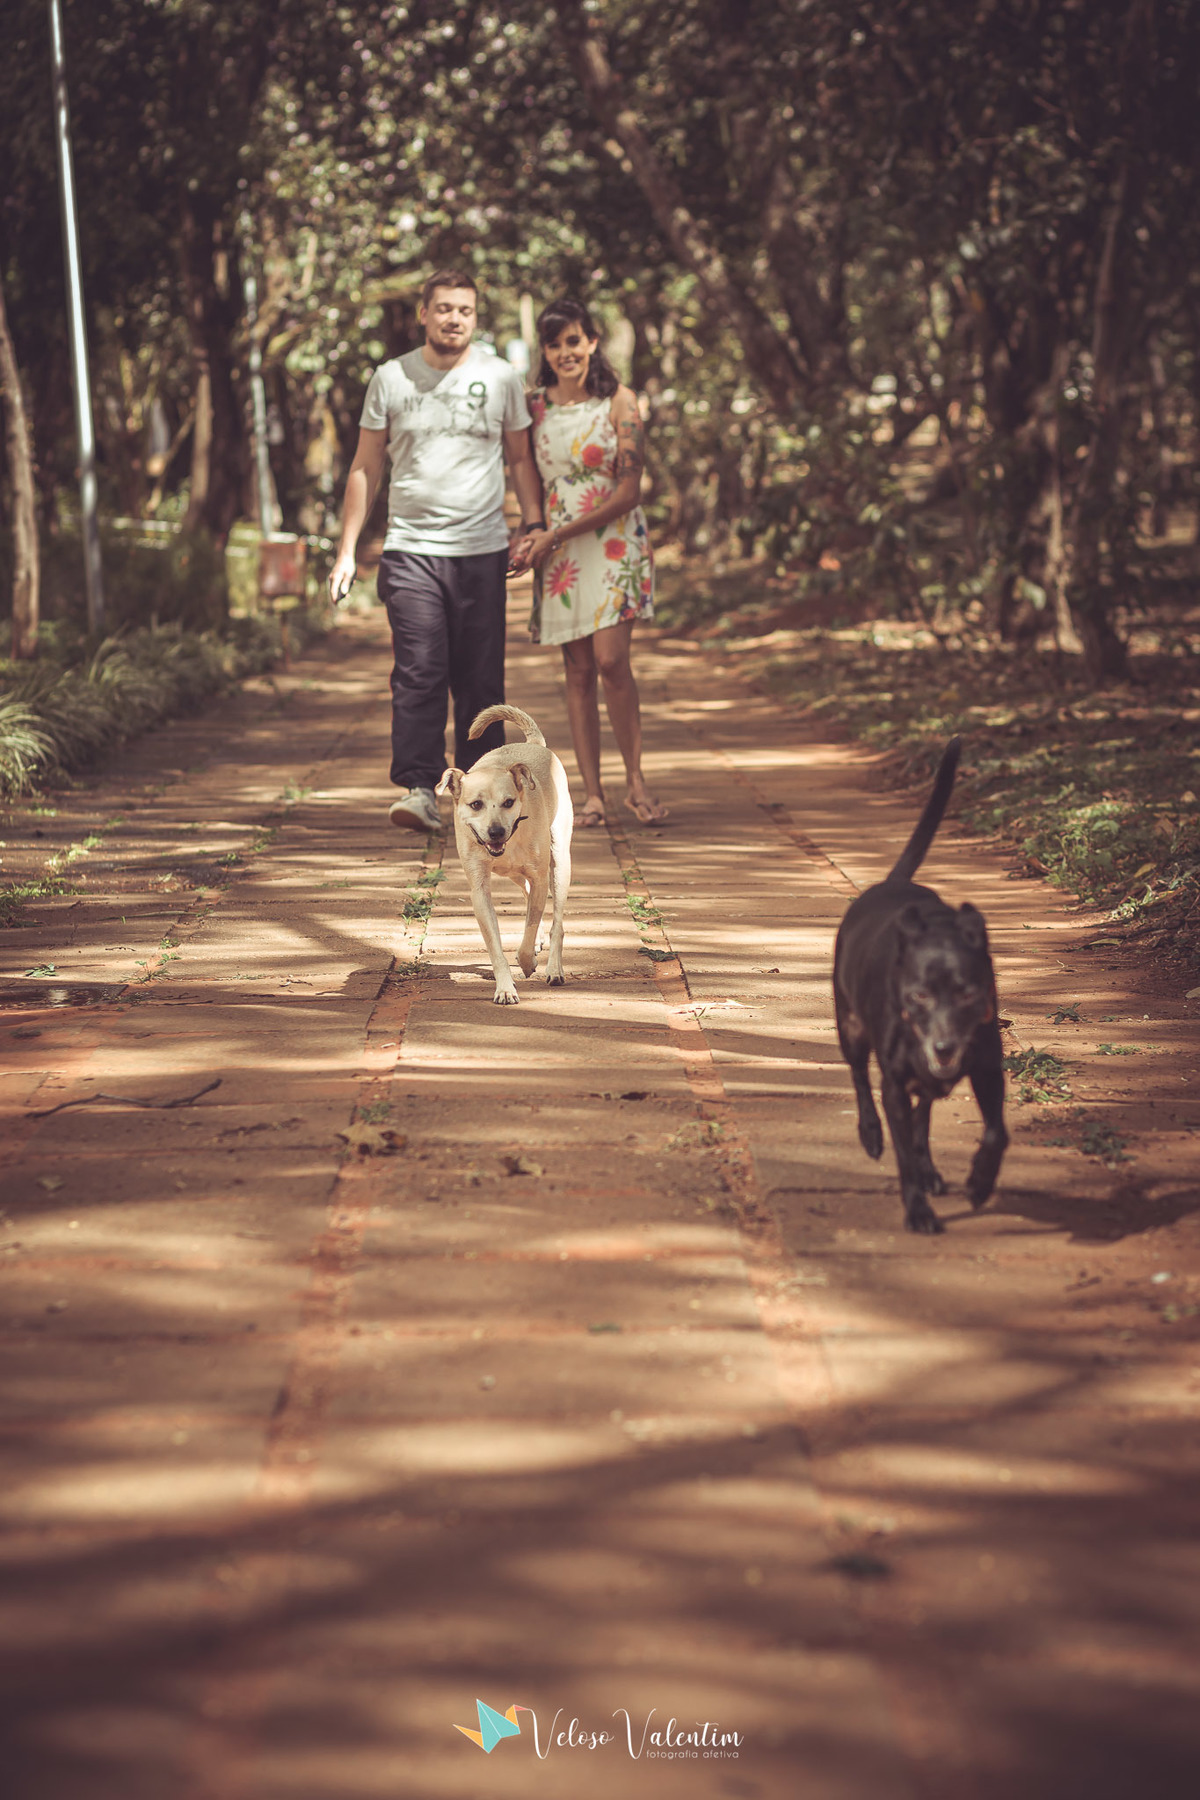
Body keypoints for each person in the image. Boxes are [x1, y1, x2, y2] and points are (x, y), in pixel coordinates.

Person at [328, 269, 546, 831]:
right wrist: (346, 549)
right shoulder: (392, 378)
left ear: (476, 317)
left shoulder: (500, 377)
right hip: (411, 551)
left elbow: (520, 459)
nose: (454, 318)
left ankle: (482, 796)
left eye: (465, 310)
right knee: (419, 672)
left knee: (479, 681)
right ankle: (420, 789)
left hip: (482, 551)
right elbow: (366, 464)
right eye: (444, 308)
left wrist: (533, 522)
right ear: (423, 314)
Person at [510, 298, 667, 826]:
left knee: (610, 662)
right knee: (576, 673)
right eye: (553, 344)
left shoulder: (621, 402)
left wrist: (556, 533)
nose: (564, 353)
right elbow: (525, 472)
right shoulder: (534, 409)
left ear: (592, 342)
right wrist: (535, 532)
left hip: (615, 541)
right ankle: (592, 795)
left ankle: (636, 780)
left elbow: (628, 492)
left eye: (573, 341)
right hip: (558, 549)